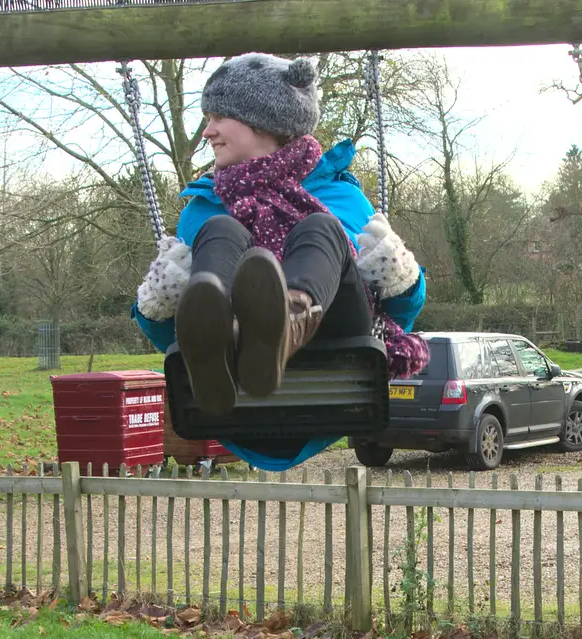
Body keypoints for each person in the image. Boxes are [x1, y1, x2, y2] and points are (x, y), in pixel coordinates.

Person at [132, 52, 428, 470]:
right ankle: (233, 347)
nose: (207, 131)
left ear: (263, 120)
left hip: (334, 355)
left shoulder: (340, 197)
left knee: (320, 229)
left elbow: (404, 311)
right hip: (232, 387)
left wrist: (399, 274)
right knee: (221, 230)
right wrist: (160, 302)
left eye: (218, 117)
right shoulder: (202, 208)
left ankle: (283, 327)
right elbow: (171, 340)